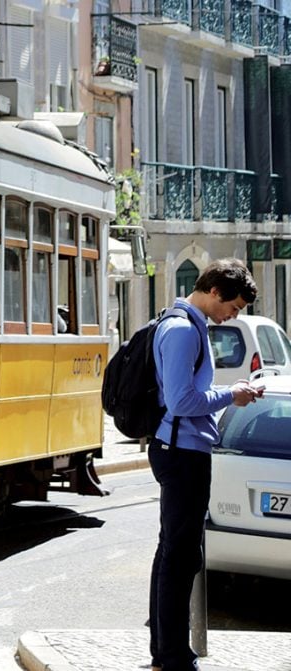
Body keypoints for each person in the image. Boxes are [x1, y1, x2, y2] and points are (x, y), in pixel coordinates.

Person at [148, 258, 262, 671]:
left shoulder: (185, 324)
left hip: (179, 449)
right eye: (233, 307)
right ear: (214, 291)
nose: (232, 315)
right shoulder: (182, 330)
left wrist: (228, 392)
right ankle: (173, 654)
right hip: (181, 452)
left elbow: (188, 393)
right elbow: (181, 403)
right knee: (180, 557)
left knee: (173, 553)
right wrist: (232, 395)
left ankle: (165, 650)